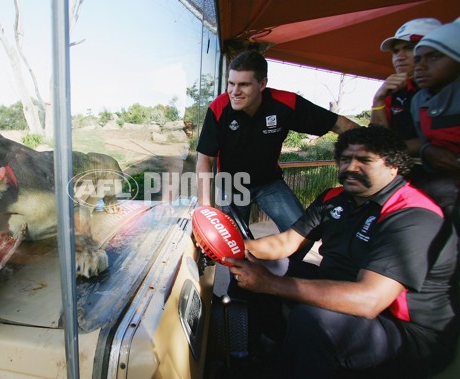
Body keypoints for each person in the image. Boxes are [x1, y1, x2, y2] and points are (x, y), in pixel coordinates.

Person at [226, 126, 459, 378]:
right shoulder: (334, 198)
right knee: (251, 265)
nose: (350, 167)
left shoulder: (412, 214)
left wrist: (269, 284)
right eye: (346, 159)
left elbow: (370, 300)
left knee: (312, 319)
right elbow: (284, 243)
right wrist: (230, 247)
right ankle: (267, 350)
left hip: (405, 331)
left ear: (394, 166)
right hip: (347, 287)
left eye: (365, 160)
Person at [196, 50, 358, 274]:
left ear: (262, 84)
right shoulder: (218, 108)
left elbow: (340, 124)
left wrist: (374, 150)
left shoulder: (286, 103)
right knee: (232, 246)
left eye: (243, 85)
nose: (234, 92)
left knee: (304, 235)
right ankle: (242, 291)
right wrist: (205, 208)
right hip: (232, 185)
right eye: (231, 84)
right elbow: (205, 159)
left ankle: (284, 277)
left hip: (269, 183)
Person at [411, 18, 460, 219]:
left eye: (434, 58)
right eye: (418, 59)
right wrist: (427, 150)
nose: (421, 66)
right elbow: (425, 141)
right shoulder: (418, 101)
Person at [371, 17, 441, 153]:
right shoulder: (393, 91)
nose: (400, 57)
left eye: (409, 48)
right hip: (402, 172)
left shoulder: (452, 88)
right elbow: (377, 139)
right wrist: (378, 99)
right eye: (395, 51)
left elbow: (445, 142)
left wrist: (390, 149)